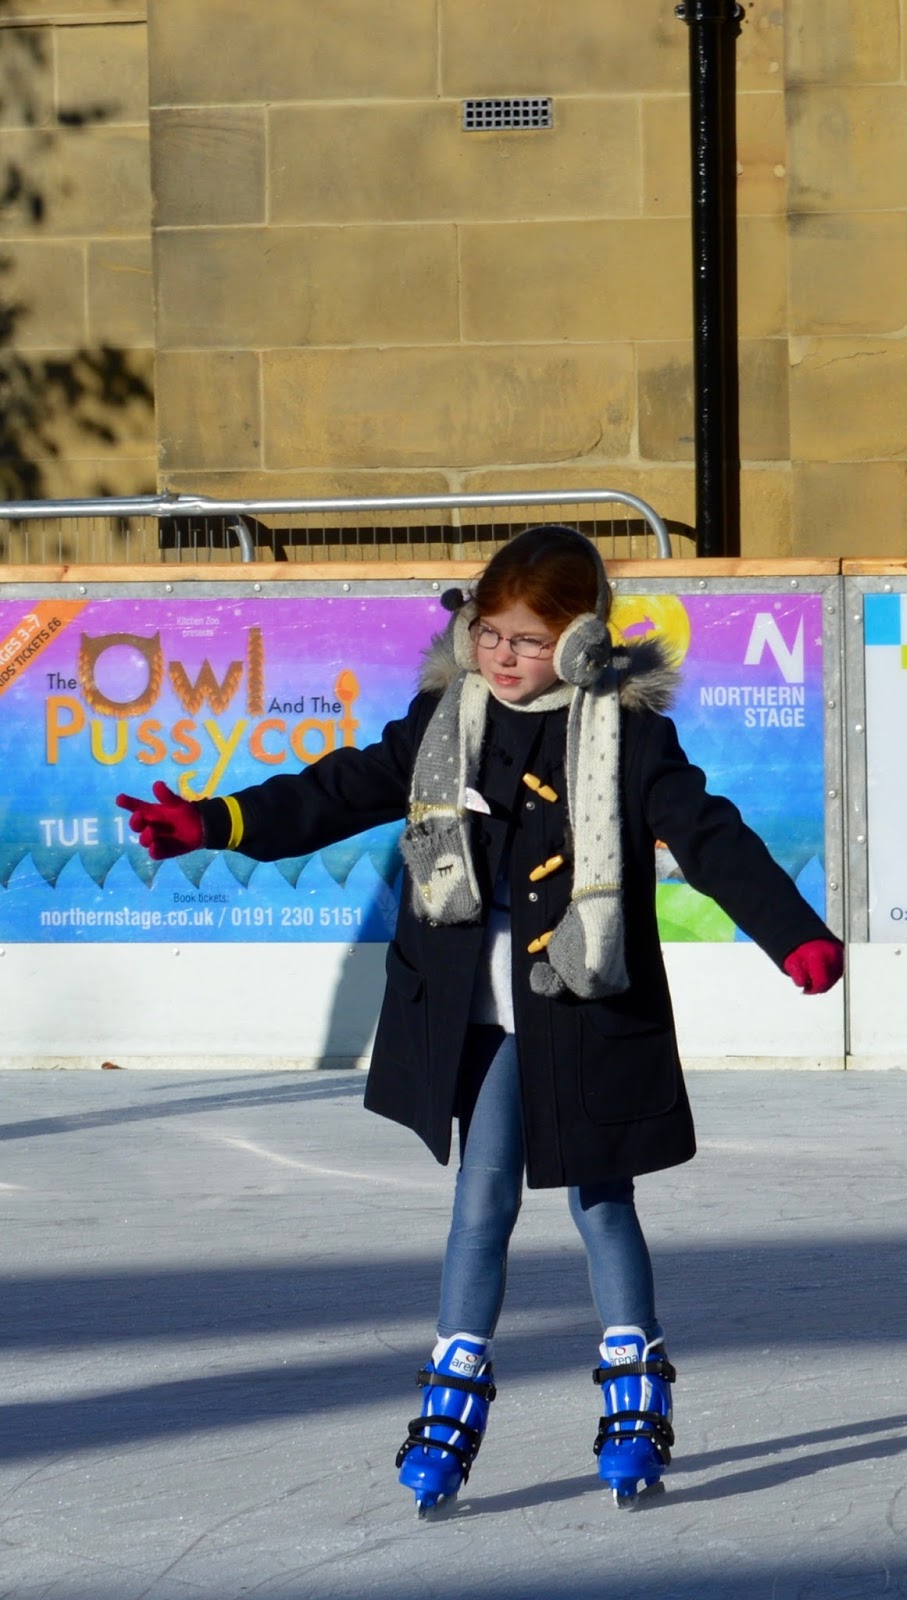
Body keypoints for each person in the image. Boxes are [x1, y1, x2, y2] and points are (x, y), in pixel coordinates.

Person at [116, 525, 844, 1513]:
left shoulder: (627, 737)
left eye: (531, 640)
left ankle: (634, 1388)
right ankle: (454, 1389)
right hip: (479, 1010)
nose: (504, 657)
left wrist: (790, 933)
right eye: (490, 633)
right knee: (482, 1198)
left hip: (584, 1006)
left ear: (586, 641)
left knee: (600, 1201)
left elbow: (711, 837)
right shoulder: (447, 719)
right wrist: (215, 821)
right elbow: (339, 789)